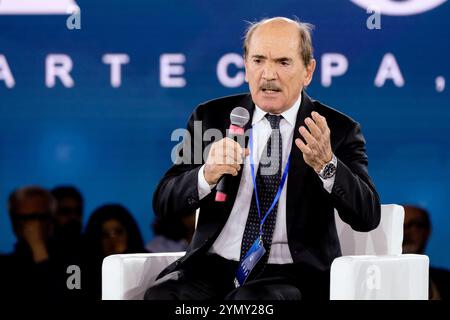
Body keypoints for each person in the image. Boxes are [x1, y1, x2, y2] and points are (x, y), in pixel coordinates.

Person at [145, 17, 380, 300]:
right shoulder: (211, 118)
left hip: (292, 274)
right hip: (211, 268)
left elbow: (367, 216)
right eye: (258, 60)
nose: (268, 74)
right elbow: (164, 203)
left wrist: (327, 165)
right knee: (162, 296)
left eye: (283, 62)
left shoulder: (335, 129)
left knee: (247, 303)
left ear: (308, 71)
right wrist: (206, 174)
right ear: (245, 66)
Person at [0, 186, 60, 299]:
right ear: (13, 223)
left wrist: (39, 249)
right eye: (23, 218)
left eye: (37, 217)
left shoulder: (73, 261)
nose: (30, 225)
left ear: (51, 220)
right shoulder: (5, 266)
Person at [82, 204, 146, 300]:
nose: (113, 239)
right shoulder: (84, 272)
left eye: (118, 232)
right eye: (105, 234)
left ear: (129, 233)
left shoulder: (148, 261)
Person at [402, 205, 450, 300]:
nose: (406, 232)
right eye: (400, 225)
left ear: (428, 231)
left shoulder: (446, 280)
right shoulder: (375, 279)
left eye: (415, 225)